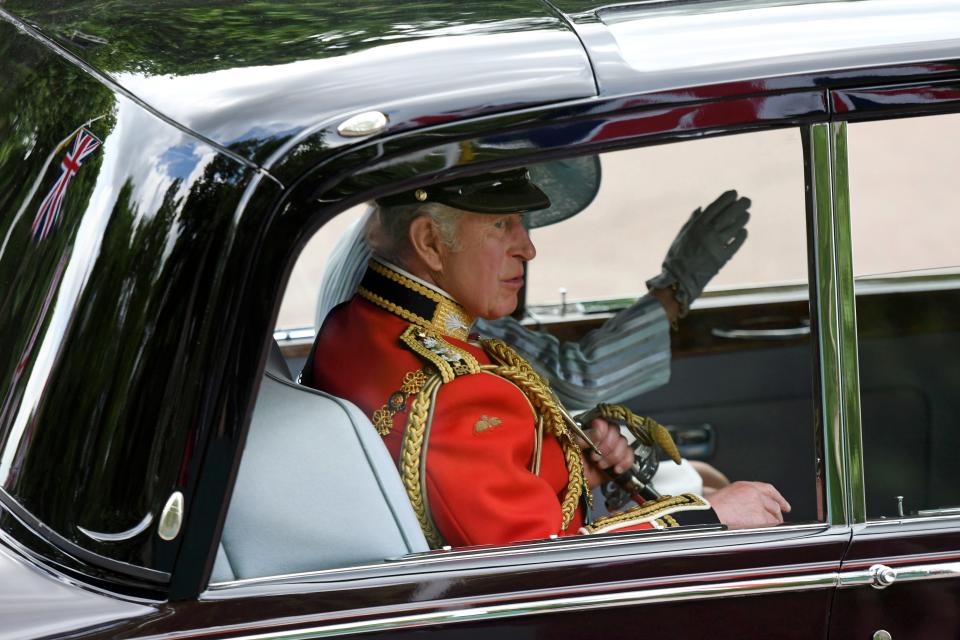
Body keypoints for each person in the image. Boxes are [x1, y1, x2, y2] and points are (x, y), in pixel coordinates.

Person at [306, 168, 790, 548]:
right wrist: (709, 517)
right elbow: (542, 568)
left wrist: (578, 464)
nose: (529, 247)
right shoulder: (455, 393)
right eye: (502, 224)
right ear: (430, 242)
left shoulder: (357, 324)